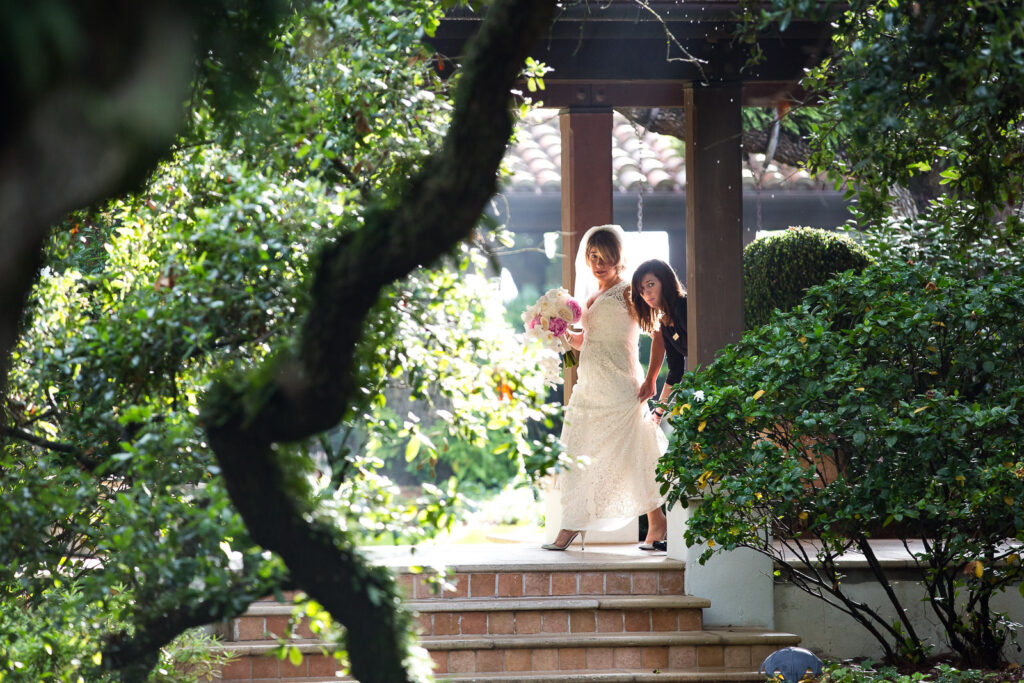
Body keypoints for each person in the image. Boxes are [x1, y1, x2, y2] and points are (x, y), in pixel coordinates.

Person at [542, 225, 668, 552]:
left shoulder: (628, 292)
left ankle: (657, 524)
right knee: (576, 453)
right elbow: (589, 342)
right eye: (593, 256)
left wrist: (652, 377)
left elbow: (658, 334)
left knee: (634, 455)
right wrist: (563, 335)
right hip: (589, 388)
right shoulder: (590, 297)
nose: (599, 263)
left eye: (606, 257)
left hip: (620, 388)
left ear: (618, 259)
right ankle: (571, 525)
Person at [631, 259, 687, 429]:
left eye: (650, 284)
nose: (646, 293)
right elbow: (675, 372)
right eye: (641, 290)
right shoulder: (665, 323)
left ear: (665, 280)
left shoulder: (684, 306)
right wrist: (657, 414)